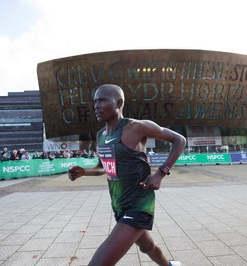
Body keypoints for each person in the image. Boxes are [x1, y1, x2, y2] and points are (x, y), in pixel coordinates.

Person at [68, 84, 186, 266]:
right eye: (95, 102)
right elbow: (103, 167)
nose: (96, 106)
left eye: (102, 100)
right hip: (119, 204)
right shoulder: (100, 135)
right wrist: (85, 172)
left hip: (139, 204)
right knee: (147, 246)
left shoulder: (136, 127)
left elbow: (179, 140)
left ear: (119, 103)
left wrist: (161, 173)